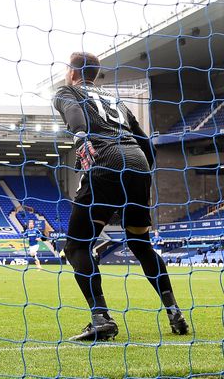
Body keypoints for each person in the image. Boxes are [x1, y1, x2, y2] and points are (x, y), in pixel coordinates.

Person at [54, 52, 188, 341]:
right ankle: (174, 310)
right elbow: (145, 142)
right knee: (141, 244)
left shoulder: (67, 91)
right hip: (138, 166)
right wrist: (140, 174)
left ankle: (101, 317)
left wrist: (81, 138)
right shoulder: (116, 100)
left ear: (72, 71)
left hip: (105, 163)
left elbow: (75, 114)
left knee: (76, 247)